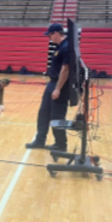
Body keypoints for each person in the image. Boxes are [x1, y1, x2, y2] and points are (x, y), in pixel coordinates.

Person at [26, 22, 76, 151]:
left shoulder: (66, 47)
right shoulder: (60, 46)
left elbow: (65, 70)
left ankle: (61, 145)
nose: (49, 38)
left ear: (56, 34)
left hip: (60, 86)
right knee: (43, 113)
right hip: (52, 83)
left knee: (57, 117)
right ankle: (39, 141)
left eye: (49, 36)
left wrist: (58, 89)